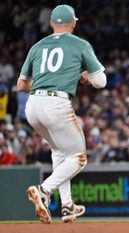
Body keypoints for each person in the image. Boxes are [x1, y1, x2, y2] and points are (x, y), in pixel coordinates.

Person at [17, 4, 107, 223]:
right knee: (79, 158)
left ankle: (67, 206)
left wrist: (43, 88)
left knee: (60, 152)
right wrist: (83, 75)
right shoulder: (80, 44)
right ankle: (43, 190)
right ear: (74, 23)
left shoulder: (37, 46)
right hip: (56, 105)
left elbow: (21, 85)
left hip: (33, 106)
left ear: (51, 23)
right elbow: (100, 82)